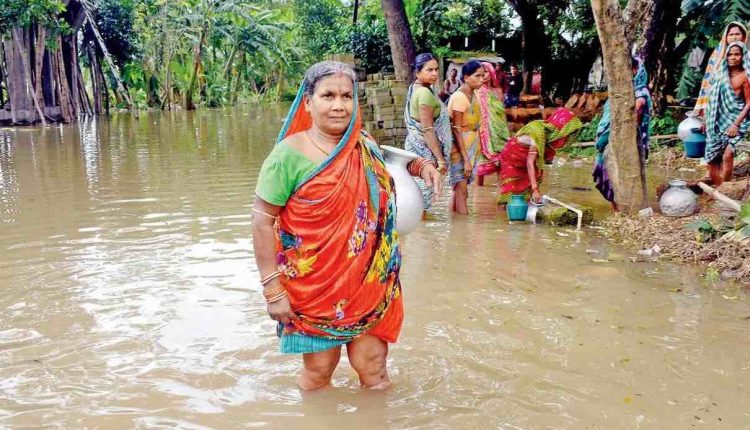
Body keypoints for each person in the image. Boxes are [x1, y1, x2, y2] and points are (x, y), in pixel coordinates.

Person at [252, 61, 442, 391]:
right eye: (328, 95)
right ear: (308, 102)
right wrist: (272, 290)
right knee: (319, 372)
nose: (339, 105)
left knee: (374, 369)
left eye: (346, 95)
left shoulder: (363, 143)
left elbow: (385, 164)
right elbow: (261, 221)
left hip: (369, 280)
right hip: (316, 287)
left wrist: (419, 164)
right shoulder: (287, 156)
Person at [592, 58, 652, 210]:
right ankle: (617, 209)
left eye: (632, 70)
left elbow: (639, 106)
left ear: (637, 70)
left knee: (618, 176)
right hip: (610, 138)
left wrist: (628, 124)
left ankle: (623, 210)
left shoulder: (640, 90)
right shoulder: (621, 91)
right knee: (606, 175)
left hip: (626, 140)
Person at [498, 108, 583, 205]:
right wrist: (535, 190)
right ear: (561, 130)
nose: (566, 138)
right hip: (512, 158)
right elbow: (530, 163)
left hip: (526, 159)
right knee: (509, 194)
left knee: (526, 193)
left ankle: (521, 215)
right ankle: (502, 217)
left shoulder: (546, 131)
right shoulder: (538, 132)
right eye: (566, 134)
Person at [404, 52, 453, 210]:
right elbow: (427, 130)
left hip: (415, 146)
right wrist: (440, 159)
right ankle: (418, 232)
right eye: (429, 70)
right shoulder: (424, 93)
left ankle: (418, 232)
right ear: (418, 72)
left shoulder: (416, 88)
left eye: (436, 69)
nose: (434, 74)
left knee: (417, 194)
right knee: (423, 196)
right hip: (425, 149)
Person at [703, 42, 750, 185]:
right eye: (730, 54)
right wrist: (705, 120)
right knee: (712, 160)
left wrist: (736, 124)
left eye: (737, 54)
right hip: (716, 122)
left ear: (743, 56)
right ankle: (720, 188)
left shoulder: (744, 77)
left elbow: (749, 103)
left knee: (728, 154)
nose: (733, 57)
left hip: (736, 121)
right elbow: (710, 98)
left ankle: (727, 187)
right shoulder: (719, 74)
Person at [447, 60, 485, 214]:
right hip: (459, 148)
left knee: (458, 190)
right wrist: (466, 160)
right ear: (467, 77)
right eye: (478, 75)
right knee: (462, 192)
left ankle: (455, 230)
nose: (482, 79)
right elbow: (456, 129)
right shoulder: (459, 97)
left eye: (483, 75)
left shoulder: (474, 94)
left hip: (470, 145)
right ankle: (464, 231)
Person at [694, 22, 748, 115]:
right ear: (726, 38)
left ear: (744, 36)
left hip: (743, 103)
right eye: (731, 34)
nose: (734, 37)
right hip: (717, 102)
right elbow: (708, 82)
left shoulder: (748, 56)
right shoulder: (717, 57)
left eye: (737, 34)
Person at [476, 62, 511, 178]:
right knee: (480, 167)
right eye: (480, 73)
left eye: (485, 72)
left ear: (491, 72)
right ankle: (478, 194)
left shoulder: (498, 91)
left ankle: (500, 193)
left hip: (499, 131)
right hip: (484, 132)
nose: (483, 75)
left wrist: (507, 131)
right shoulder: (477, 91)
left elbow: (501, 113)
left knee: (501, 162)